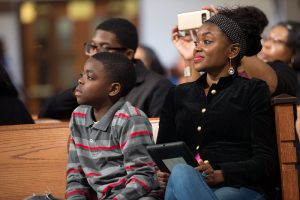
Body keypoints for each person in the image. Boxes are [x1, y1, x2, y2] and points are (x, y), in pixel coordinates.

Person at [156, 6, 278, 200]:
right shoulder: (177, 94)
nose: (197, 47)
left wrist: (221, 174)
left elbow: (266, 161)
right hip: (186, 183)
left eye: (207, 41)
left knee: (182, 176)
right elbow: (164, 151)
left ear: (233, 50)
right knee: (179, 174)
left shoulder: (252, 90)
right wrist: (162, 174)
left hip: (238, 187)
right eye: (196, 42)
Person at [66, 52, 160, 200]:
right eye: (81, 75)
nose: (80, 80)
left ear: (113, 89)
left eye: (90, 77)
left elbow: (143, 176)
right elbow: (75, 174)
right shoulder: (78, 116)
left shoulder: (130, 119)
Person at [38, 18, 173, 120]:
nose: (94, 53)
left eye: (104, 47)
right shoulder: (85, 81)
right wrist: (79, 90)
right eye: (93, 46)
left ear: (128, 54)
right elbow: (47, 113)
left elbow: (159, 134)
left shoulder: (157, 87)